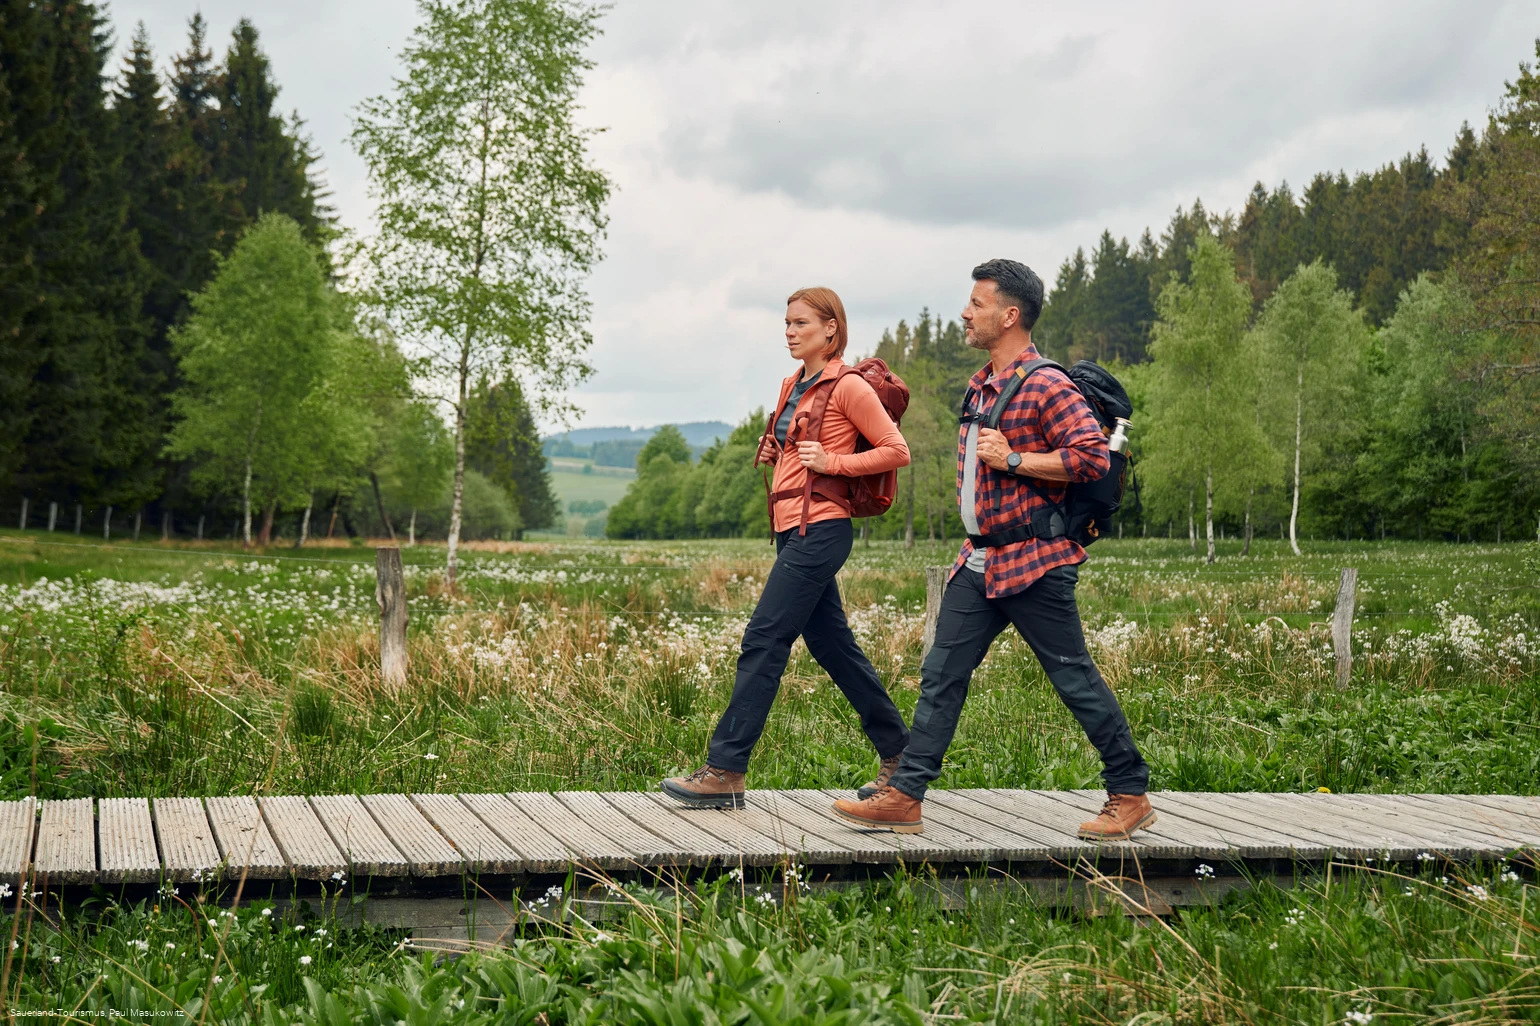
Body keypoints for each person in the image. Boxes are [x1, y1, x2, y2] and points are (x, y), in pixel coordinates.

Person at [829, 259, 1154, 840]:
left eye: (976, 304)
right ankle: (906, 797)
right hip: (978, 560)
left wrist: (1013, 459)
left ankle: (1129, 793)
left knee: (1072, 677)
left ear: (1009, 315)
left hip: (1033, 563)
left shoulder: (1047, 384)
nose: (964, 312)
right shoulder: (983, 383)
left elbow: (1090, 458)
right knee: (941, 674)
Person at [661, 287, 912, 809]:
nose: (789, 332)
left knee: (764, 637)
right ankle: (901, 754)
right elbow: (799, 450)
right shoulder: (790, 384)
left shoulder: (849, 386)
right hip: (789, 529)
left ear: (831, 330)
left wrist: (834, 464)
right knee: (832, 646)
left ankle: (726, 769)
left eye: (800, 323)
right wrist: (778, 451)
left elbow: (896, 450)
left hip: (822, 530)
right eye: (786, 323)